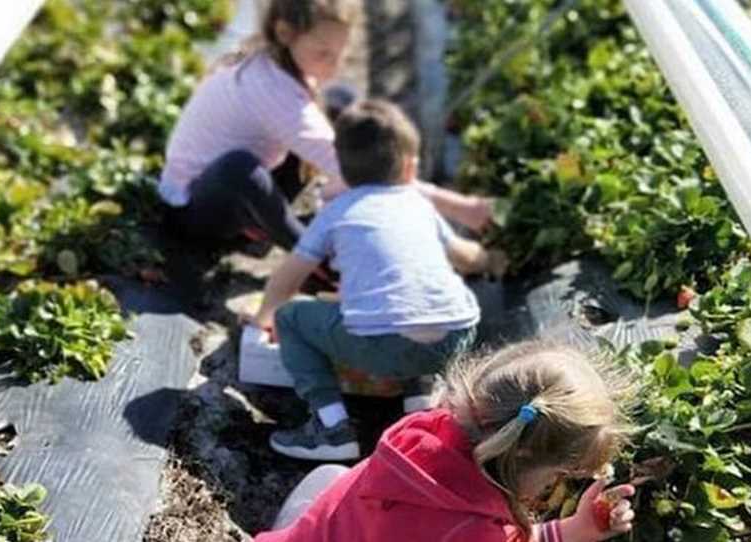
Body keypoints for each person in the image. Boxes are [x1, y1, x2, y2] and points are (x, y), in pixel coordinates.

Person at [245, 99, 506, 461]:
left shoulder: (338, 211)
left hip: (381, 344)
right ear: (410, 167)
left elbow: (287, 278)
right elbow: (465, 256)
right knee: (414, 304)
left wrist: (262, 320)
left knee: (292, 318)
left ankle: (332, 427)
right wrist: (495, 259)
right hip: (455, 338)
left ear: (342, 169)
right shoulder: (417, 204)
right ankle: (421, 394)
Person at [159, 0, 493, 261]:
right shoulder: (272, 92)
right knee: (241, 170)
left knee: (341, 103)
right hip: (195, 213)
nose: (334, 66)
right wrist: (462, 208)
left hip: (232, 193)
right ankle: (315, 262)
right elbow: (368, 168)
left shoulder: (275, 60)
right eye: (323, 54)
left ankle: (286, 215)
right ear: (285, 32)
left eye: (340, 54)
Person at [247, 341, 637, 542]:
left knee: (330, 475)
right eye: (557, 474)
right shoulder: (468, 530)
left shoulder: (421, 433)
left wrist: (577, 528)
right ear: (522, 452)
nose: (552, 486)